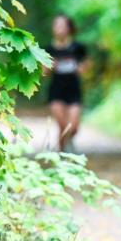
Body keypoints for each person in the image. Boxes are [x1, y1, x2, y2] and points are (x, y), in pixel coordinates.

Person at [44, 13, 88, 152]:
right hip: (56, 91)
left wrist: (81, 68)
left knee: (73, 128)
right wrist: (50, 66)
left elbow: (86, 66)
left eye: (63, 25)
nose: (60, 28)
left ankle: (65, 147)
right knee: (63, 126)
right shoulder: (48, 50)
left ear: (69, 28)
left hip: (73, 91)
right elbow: (44, 74)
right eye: (57, 25)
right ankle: (62, 155)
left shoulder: (78, 48)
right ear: (53, 28)